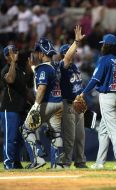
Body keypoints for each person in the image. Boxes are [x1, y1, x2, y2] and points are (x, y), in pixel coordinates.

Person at [80, 34, 116, 168]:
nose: (102, 46)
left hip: (108, 98)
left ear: (106, 45)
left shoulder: (104, 60)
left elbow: (95, 80)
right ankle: (100, 163)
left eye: (103, 44)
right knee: (104, 131)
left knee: (113, 131)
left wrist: (83, 93)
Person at [20, 38, 64, 169]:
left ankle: (38, 158)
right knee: (55, 133)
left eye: (38, 52)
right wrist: (34, 67)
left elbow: (41, 88)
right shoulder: (55, 66)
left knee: (26, 130)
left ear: (41, 53)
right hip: (59, 103)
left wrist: (35, 106)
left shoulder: (43, 68)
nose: (36, 54)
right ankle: (57, 164)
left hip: (46, 103)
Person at [58, 25, 87, 168]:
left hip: (77, 105)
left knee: (80, 136)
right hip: (68, 104)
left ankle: (80, 161)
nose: (74, 53)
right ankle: (66, 162)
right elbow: (67, 58)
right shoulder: (61, 66)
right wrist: (76, 42)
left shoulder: (74, 67)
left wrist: (81, 96)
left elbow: (78, 85)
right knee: (70, 137)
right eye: (72, 52)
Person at [0, 45, 28, 169]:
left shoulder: (20, 70)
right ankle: (8, 163)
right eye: (11, 53)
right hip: (9, 109)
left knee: (20, 139)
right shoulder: (6, 69)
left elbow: (25, 89)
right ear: (6, 57)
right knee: (10, 138)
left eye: (16, 51)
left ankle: (16, 162)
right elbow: (10, 80)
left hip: (21, 108)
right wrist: (12, 63)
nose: (15, 53)